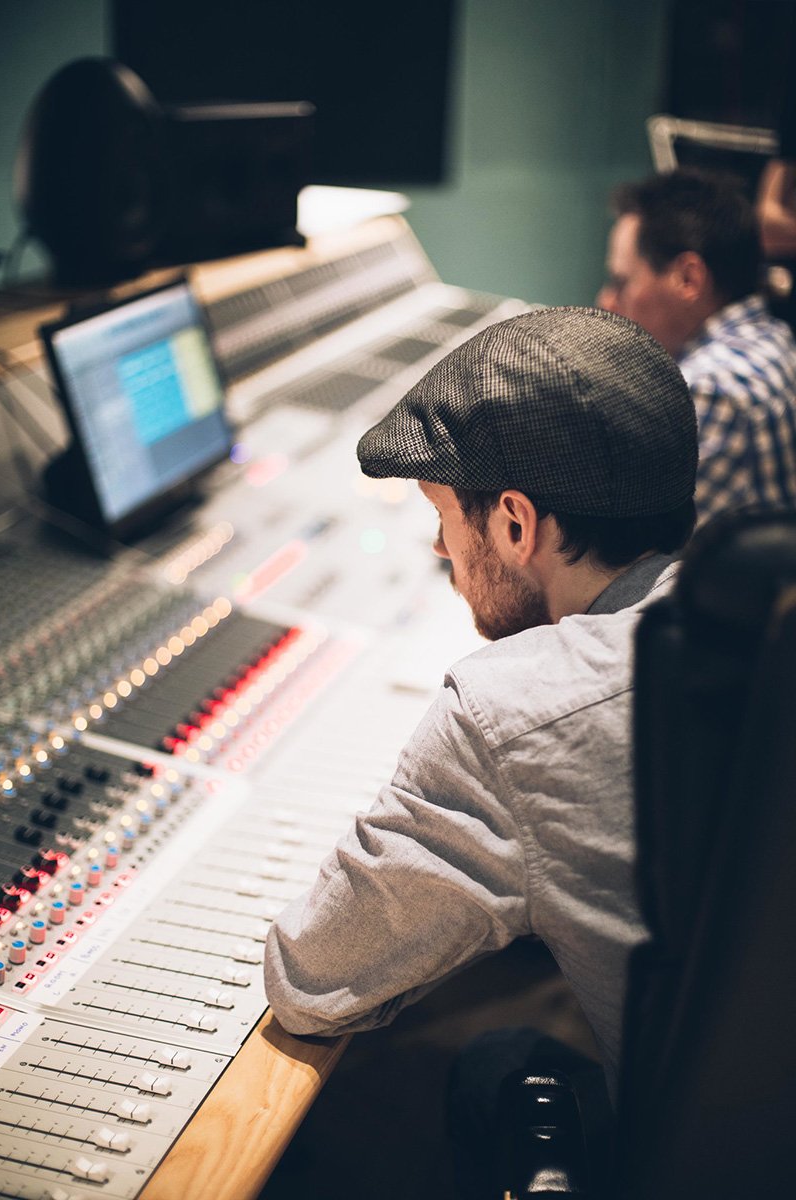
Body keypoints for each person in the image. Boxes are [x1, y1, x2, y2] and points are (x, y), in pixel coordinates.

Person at [264, 307, 697, 1135]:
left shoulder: (510, 714)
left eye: (443, 518)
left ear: (515, 523)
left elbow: (311, 977)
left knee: (494, 1062)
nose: (439, 550)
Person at [597, 168, 796, 523]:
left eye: (621, 282)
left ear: (688, 278)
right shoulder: (772, 334)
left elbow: (631, 547)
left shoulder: (710, 389)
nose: (606, 302)